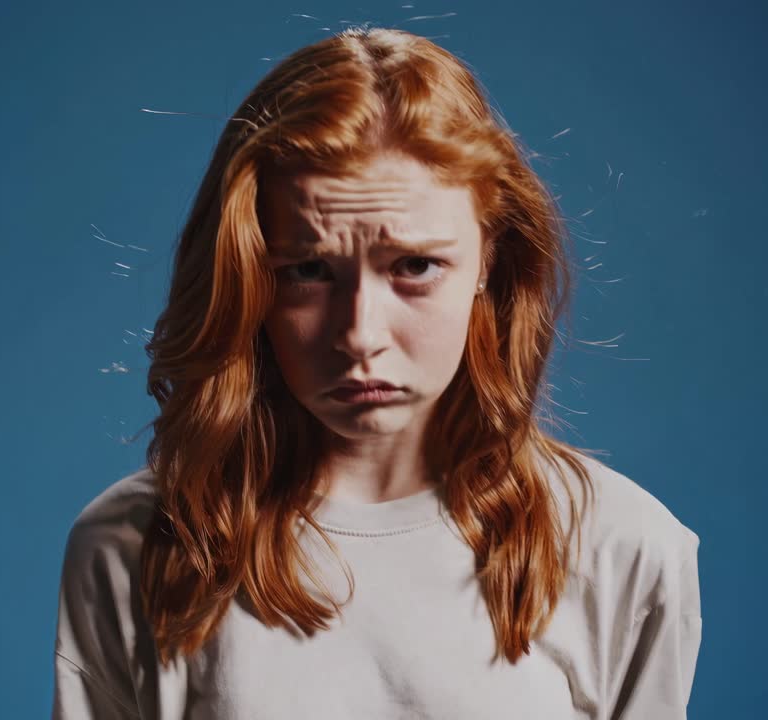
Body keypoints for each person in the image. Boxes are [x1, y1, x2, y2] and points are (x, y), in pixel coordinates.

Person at [52, 27, 701, 720]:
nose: (359, 334)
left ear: (491, 259)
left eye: (415, 267)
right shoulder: (135, 543)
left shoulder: (624, 547)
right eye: (306, 271)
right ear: (249, 277)